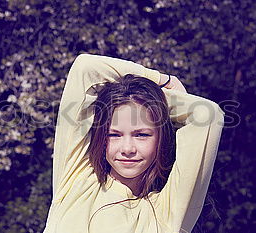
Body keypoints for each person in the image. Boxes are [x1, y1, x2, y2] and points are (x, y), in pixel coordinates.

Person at [43, 54, 224, 233]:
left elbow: (207, 115)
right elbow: (86, 68)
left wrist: (154, 102)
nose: (127, 149)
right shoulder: (76, 179)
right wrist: (163, 81)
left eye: (142, 135)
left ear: (161, 139)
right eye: (114, 135)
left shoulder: (168, 213)